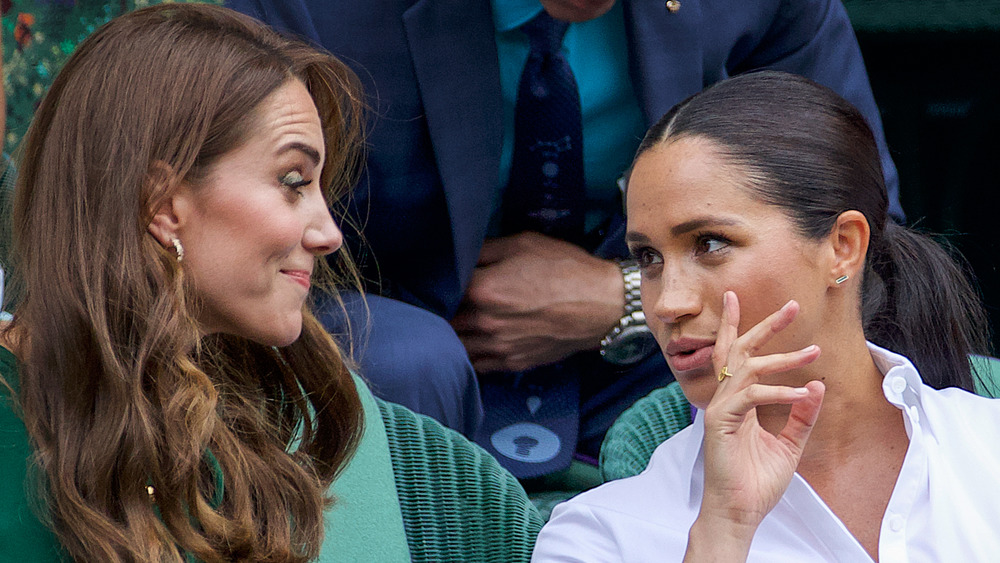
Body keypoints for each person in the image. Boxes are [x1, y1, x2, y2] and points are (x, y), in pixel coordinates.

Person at [230, 0, 905, 478]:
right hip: (402, 345)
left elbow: (860, 237)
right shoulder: (321, 10)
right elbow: (240, 235)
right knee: (409, 360)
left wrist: (630, 298)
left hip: (647, 353)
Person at [0, 5, 540, 561]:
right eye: (292, 182)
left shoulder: (296, 414)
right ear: (161, 204)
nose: (330, 233)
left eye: (321, 187)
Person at [531, 70, 998, 561]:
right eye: (648, 258)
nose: (668, 303)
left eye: (710, 244)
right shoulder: (597, 537)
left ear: (842, 247)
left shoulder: (987, 447)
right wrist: (723, 531)